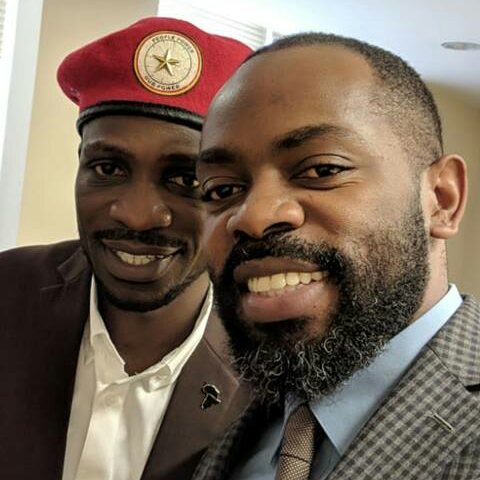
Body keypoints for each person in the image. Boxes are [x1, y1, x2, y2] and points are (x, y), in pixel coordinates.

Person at [193, 32, 479, 479]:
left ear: (441, 199)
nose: (253, 217)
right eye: (221, 190)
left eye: (322, 169)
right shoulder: (226, 427)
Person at [0, 17, 251, 480]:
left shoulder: (272, 361)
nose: (137, 215)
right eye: (109, 168)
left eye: (186, 179)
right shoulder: (7, 292)